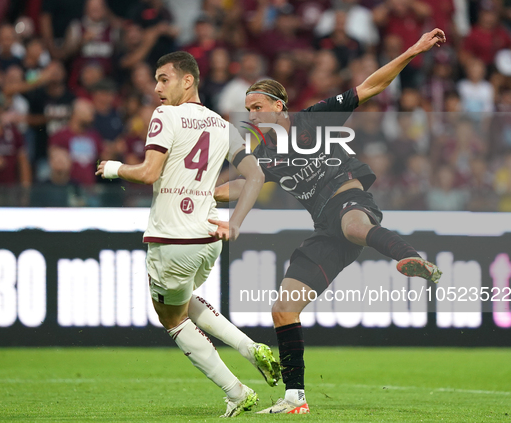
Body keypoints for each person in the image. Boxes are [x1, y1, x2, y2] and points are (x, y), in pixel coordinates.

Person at [212, 28, 446, 414]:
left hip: (350, 201)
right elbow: (239, 186)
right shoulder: (265, 154)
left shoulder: (313, 120)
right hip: (325, 229)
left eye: (257, 107)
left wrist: (414, 50)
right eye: (248, 110)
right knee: (283, 308)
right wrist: (194, 190)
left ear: (280, 106)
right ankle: (294, 398)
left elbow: (369, 87)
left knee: (352, 224)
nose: (250, 114)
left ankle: (413, 259)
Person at [95, 51, 278, 417]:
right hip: (209, 238)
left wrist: (114, 168)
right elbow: (255, 178)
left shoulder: (165, 115)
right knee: (182, 300)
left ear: (188, 80)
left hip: (172, 239)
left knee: (172, 318)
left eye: (164, 79)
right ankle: (249, 348)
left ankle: (237, 391)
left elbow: (149, 173)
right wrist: (229, 213)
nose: (157, 87)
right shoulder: (222, 125)